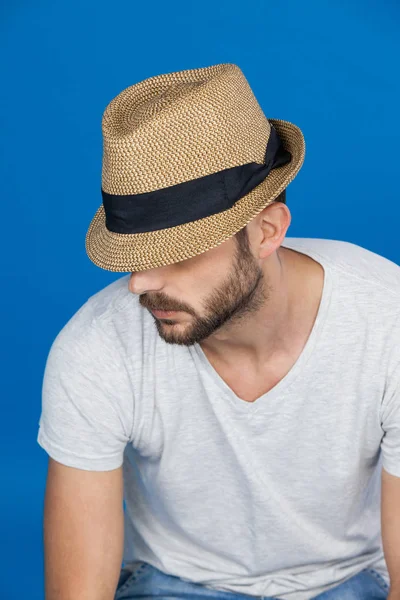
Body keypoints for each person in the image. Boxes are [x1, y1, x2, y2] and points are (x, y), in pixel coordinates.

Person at [37, 63, 400, 600]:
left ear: (267, 231)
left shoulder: (386, 321)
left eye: (177, 253)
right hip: (173, 583)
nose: (140, 283)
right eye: (133, 255)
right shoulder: (97, 348)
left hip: (351, 580)